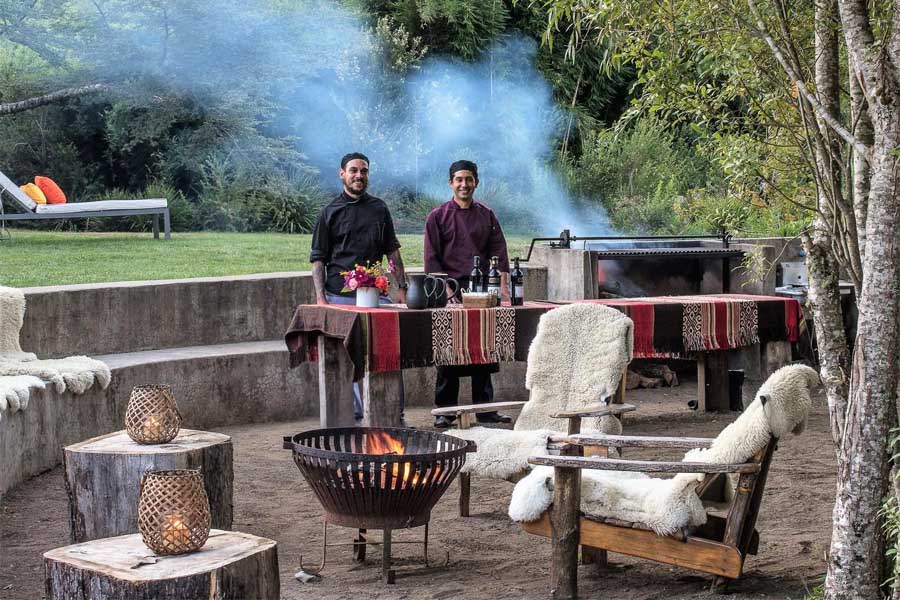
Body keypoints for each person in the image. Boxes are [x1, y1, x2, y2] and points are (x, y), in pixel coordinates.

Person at [309, 152, 408, 421]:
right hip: (339, 296)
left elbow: (392, 251)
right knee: (349, 358)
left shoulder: (379, 209)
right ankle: (357, 417)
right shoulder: (329, 213)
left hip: (376, 295)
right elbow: (318, 259)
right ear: (342, 174)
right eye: (353, 170)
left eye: (363, 171)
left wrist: (402, 287)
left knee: (390, 353)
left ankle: (395, 415)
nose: (359, 175)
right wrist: (321, 299)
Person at [424, 160, 512, 428]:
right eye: (459, 179)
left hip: (483, 292)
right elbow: (432, 260)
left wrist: (504, 293)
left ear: (476, 182)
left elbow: (499, 254)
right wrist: (448, 295)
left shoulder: (487, 215)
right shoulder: (437, 217)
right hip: (448, 290)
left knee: (484, 349)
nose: (464, 184)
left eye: (469, 179)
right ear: (451, 183)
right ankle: (445, 411)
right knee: (448, 350)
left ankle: (485, 410)